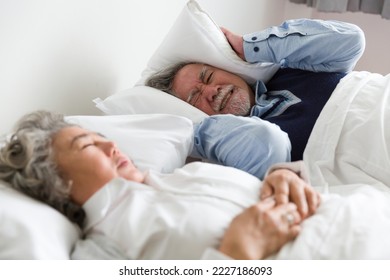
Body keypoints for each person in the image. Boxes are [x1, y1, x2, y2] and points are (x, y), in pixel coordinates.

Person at [0, 110, 320, 260]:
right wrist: (237, 255)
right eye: (87, 145)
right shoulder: (102, 251)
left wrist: (282, 175)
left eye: (104, 138)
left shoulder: (184, 174)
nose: (112, 146)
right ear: (55, 182)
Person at [146, 19, 366, 162]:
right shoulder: (245, 143)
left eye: (208, 77)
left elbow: (351, 41)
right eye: (195, 98)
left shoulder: (289, 70)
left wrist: (247, 47)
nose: (212, 91)